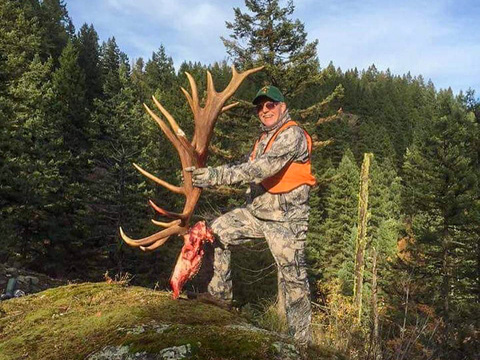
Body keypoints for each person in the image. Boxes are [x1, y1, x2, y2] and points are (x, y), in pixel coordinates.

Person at [188, 85, 316, 346]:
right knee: (218, 230)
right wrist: (213, 170)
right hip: (258, 214)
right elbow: (245, 165)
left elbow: (262, 168)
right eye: (260, 107)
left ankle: (303, 345)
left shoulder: (293, 134)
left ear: (282, 106)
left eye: (270, 105)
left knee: (294, 282)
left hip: (287, 222)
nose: (264, 110)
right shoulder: (263, 139)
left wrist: (215, 176)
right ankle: (220, 294)